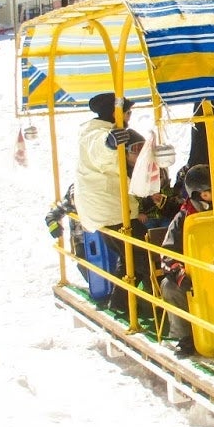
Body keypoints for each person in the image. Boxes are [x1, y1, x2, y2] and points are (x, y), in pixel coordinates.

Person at [73, 93, 140, 310]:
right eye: (127, 112)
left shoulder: (98, 131)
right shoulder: (96, 133)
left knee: (130, 256)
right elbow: (98, 150)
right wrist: (109, 143)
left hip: (111, 207)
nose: (129, 117)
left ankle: (121, 303)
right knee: (141, 254)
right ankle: (148, 304)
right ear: (116, 113)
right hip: (109, 209)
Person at [158, 164, 214, 356]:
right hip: (195, 275)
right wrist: (179, 272)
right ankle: (186, 336)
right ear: (199, 195)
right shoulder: (183, 219)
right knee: (170, 287)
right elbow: (167, 252)